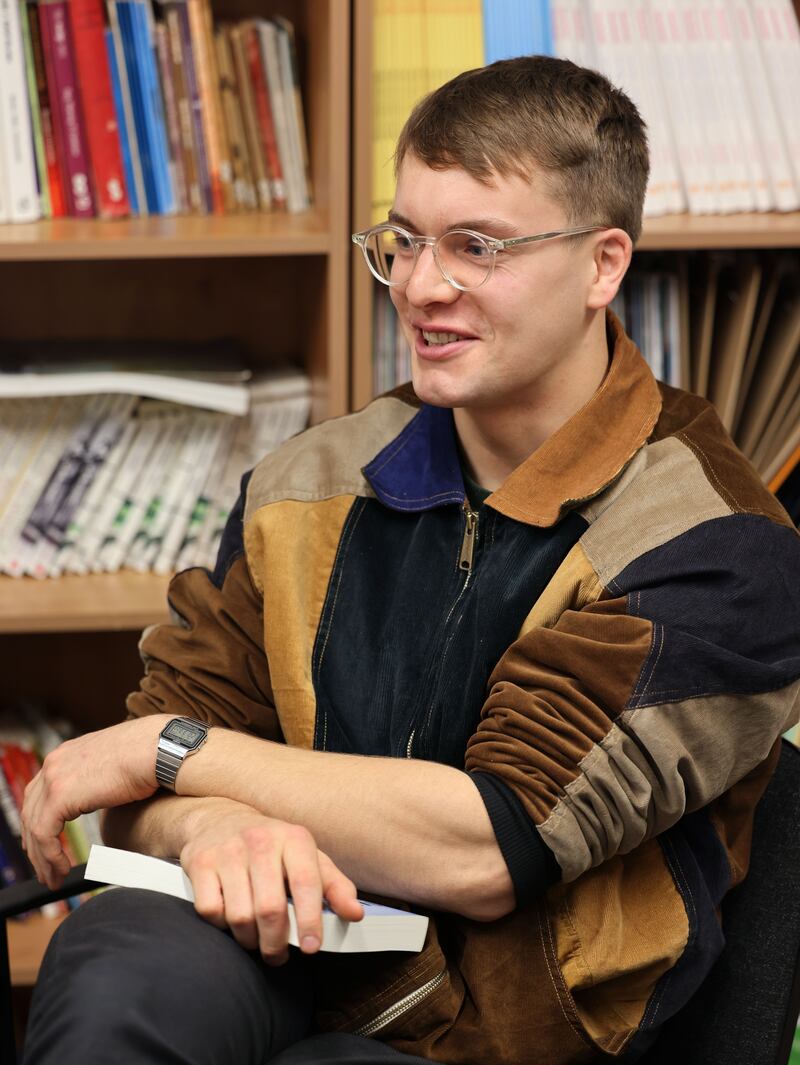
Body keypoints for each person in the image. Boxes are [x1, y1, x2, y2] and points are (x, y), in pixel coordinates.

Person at [20, 55, 800, 1065]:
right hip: (280, 955)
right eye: (404, 241)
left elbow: (493, 840)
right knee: (119, 964)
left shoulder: (716, 545)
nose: (422, 287)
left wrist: (180, 756)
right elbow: (132, 805)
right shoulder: (308, 481)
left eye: (475, 246)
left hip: (502, 1037)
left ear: (602, 266)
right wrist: (208, 828)